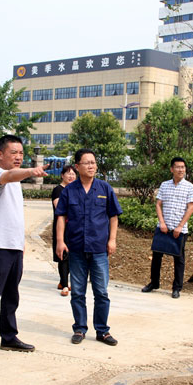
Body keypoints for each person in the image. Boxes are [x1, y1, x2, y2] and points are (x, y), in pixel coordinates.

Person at [0, 134, 49, 368]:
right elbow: (9, 175)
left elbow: (13, 214)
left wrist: (20, 244)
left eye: (21, 153)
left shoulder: (16, 182)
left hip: (13, 248)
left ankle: (8, 337)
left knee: (11, 297)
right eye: (13, 152)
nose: (18, 157)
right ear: (0, 154)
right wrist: (31, 171)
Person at [55, 148, 122, 346]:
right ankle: (79, 329)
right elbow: (61, 216)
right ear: (77, 166)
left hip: (99, 249)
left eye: (93, 162)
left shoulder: (104, 188)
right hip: (76, 249)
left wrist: (112, 239)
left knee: (101, 292)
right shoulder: (69, 191)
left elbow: (113, 216)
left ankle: (102, 331)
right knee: (77, 292)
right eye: (87, 163)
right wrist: (60, 241)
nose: (91, 166)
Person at [142, 157, 193, 299]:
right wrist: (162, 222)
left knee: (179, 259)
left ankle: (176, 288)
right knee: (156, 256)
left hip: (179, 230)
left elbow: (190, 208)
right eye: (178, 167)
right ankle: (154, 283)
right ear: (172, 169)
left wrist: (180, 226)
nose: (181, 170)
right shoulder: (164, 185)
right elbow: (158, 204)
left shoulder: (190, 187)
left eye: (183, 167)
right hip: (163, 227)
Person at [50, 165, 77, 297]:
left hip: (74, 227)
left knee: (72, 255)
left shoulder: (75, 190)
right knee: (63, 255)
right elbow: (60, 207)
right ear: (62, 175)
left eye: (73, 174)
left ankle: (62, 281)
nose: (71, 176)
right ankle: (65, 285)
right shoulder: (58, 190)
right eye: (68, 174)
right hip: (62, 227)